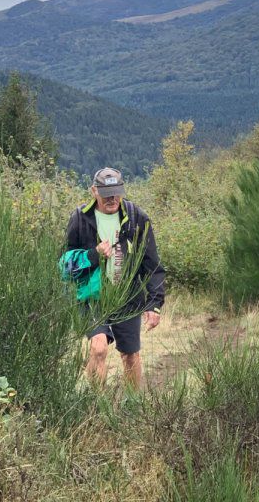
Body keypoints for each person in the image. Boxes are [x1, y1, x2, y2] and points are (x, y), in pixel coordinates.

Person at [60, 167, 165, 389]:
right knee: (98, 348)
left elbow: (152, 265)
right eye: (107, 193)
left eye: (117, 192)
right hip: (93, 296)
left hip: (127, 297)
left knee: (130, 355)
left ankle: (132, 406)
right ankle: (97, 407)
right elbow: (66, 263)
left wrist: (154, 304)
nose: (113, 198)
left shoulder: (137, 217)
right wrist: (94, 255)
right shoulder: (80, 218)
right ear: (94, 191)